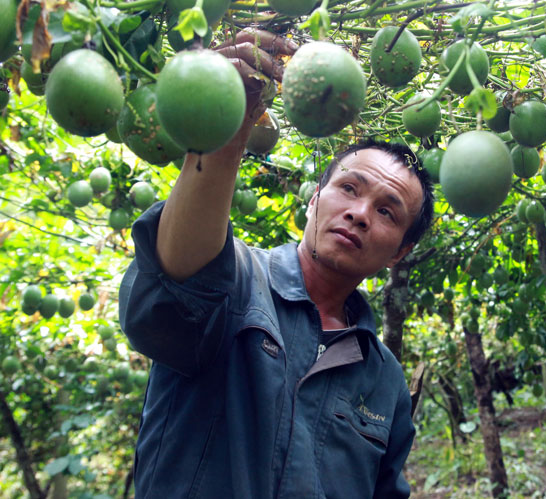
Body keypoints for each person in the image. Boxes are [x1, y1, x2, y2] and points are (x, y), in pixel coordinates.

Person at [118, 28, 434, 498]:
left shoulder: (384, 377)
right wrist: (229, 127)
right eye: (349, 188)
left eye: (387, 210)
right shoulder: (236, 279)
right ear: (313, 201)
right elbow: (174, 290)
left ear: (400, 252)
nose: (360, 214)